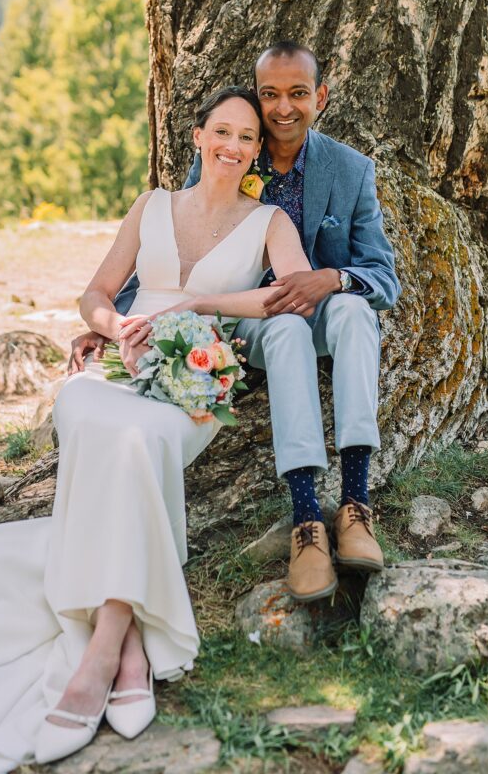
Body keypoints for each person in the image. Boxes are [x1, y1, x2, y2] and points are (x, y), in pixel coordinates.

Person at [0, 87, 311, 773]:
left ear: (257, 152)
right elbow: (95, 291)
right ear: (198, 136)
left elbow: (287, 290)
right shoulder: (150, 205)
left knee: (142, 441)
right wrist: (114, 326)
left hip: (191, 382)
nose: (233, 148)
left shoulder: (268, 221)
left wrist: (202, 301)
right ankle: (132, 647)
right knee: (86, 411)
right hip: (118, 366)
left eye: (247, 139)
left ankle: (105, 644)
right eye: (222, 132)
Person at [71, 42, 401, 604]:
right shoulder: (233, 155)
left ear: (319, 97)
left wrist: (333, 279)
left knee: (348, 308)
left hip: (311, 308)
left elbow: (382, 277)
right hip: (244, 323)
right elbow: (176, 252)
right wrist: (112, 320)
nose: (282, 109)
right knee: (287, 328)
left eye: (298, 94)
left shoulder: (348, 171)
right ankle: (305, 520)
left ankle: (354, 504)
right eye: (269, 95)